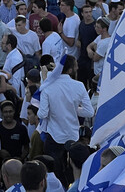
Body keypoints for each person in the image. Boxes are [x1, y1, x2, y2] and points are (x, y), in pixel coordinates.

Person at [38, 56, 94, 185]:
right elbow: (89, 112)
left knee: (54, 175)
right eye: (75, 65)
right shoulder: (79, 86)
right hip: (72, 135)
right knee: (73, 173)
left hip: (54, 136)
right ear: (70, 70)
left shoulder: (48, 86)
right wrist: (73, 109)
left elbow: (42, 113)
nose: (78, 68)